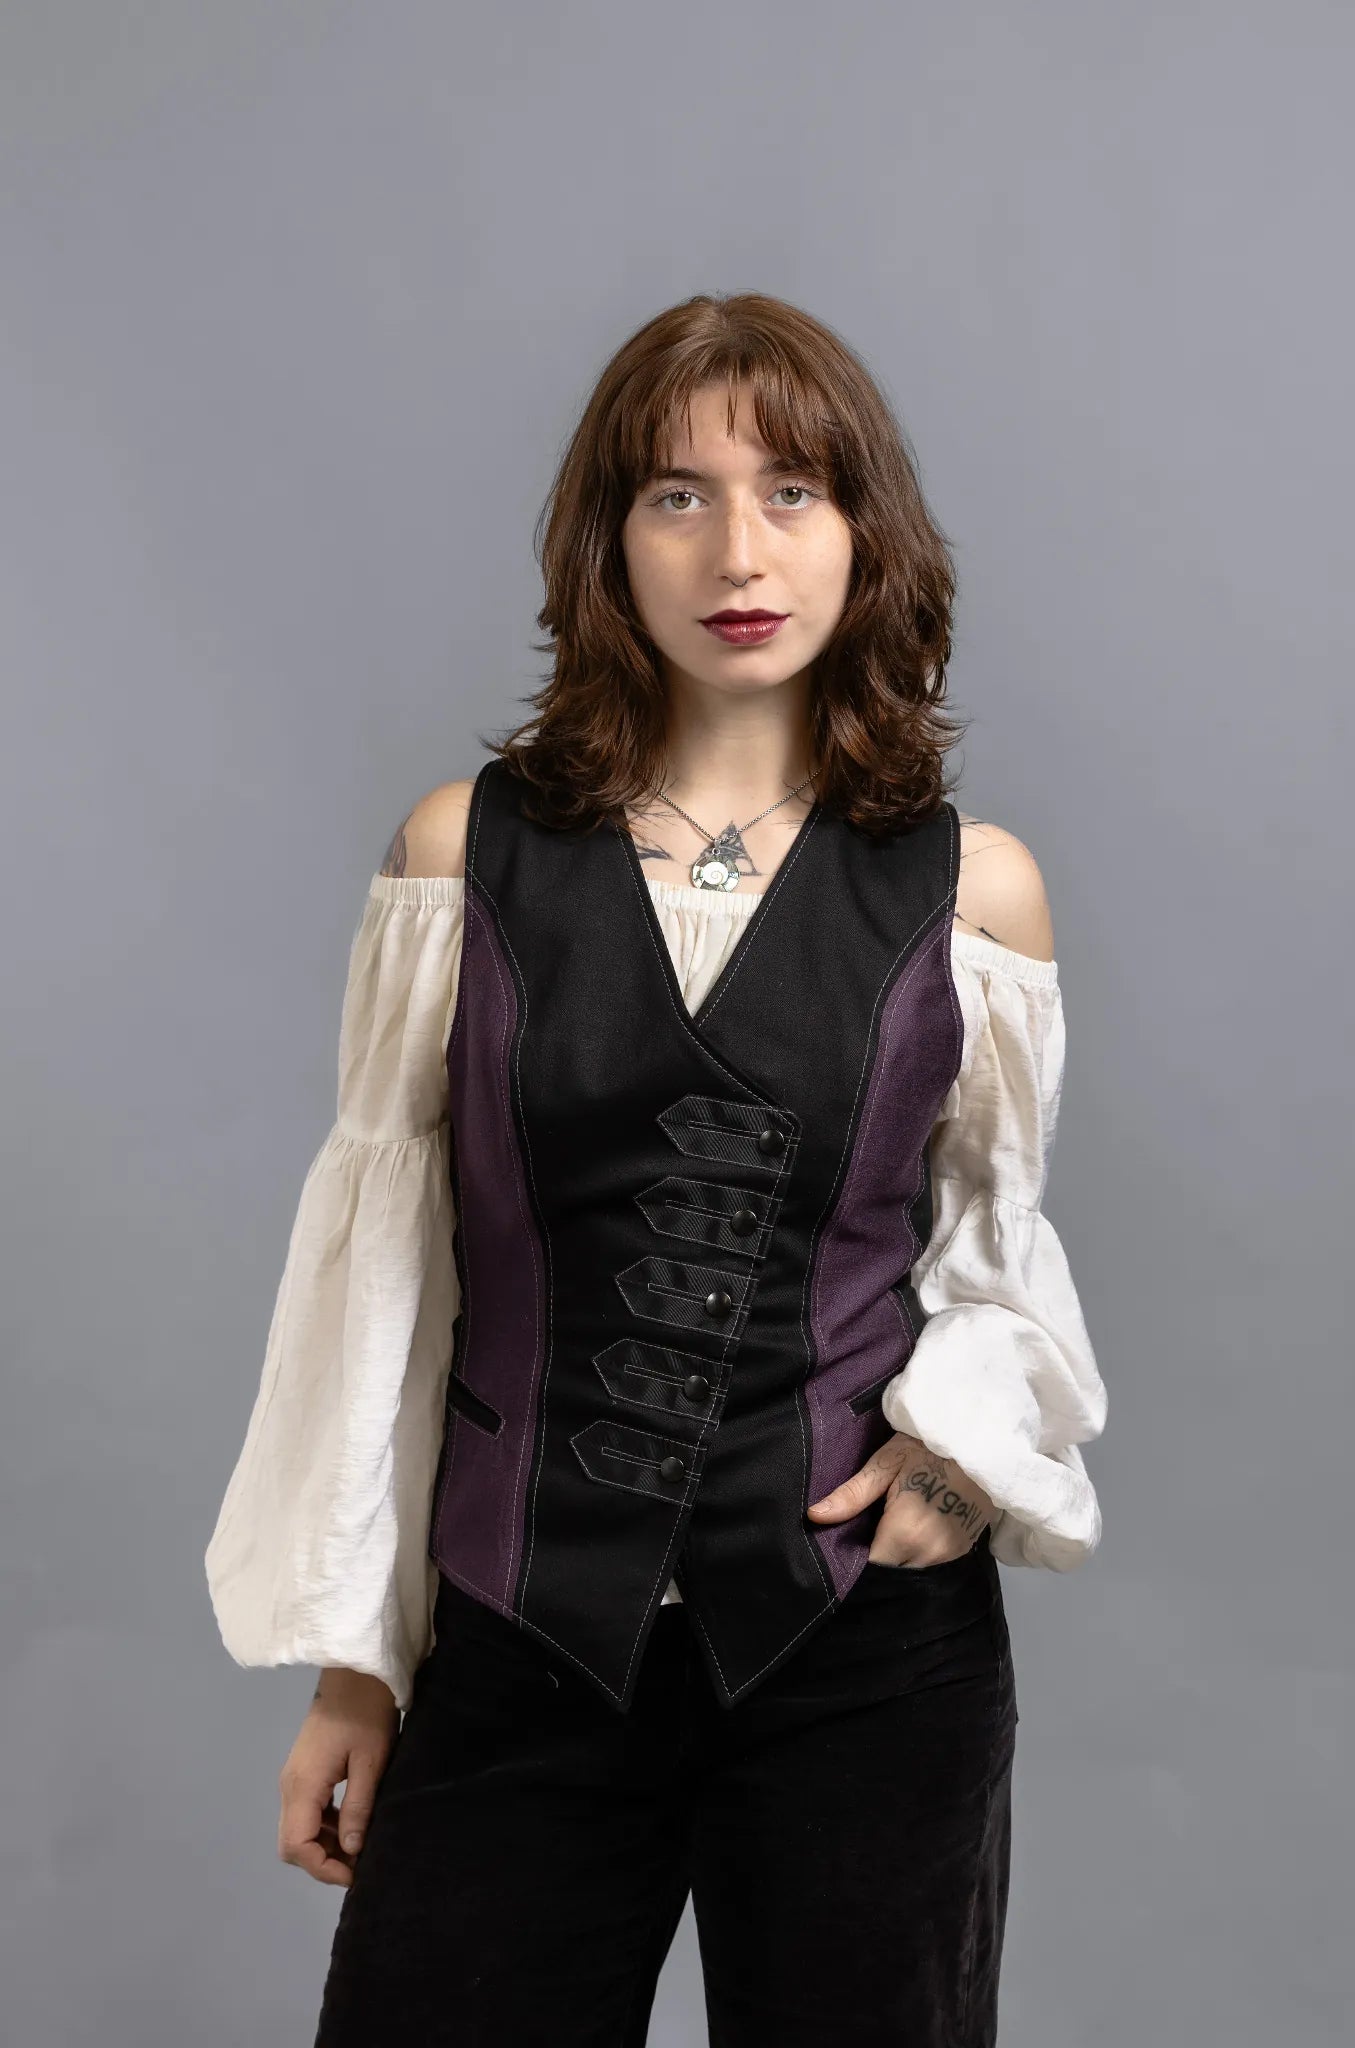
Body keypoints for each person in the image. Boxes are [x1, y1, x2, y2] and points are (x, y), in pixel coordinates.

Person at [205, 290, 1107, 2047]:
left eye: (792, 491)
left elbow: (993, 1252)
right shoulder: (460, 859)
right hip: (521, 1635)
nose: (737, 551)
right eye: (677, 496)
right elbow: (384, 1284)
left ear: (866, 533)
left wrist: (959, 1458)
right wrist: (356, 1669)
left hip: (861, 1656)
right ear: (607, 542)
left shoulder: (971, 889)